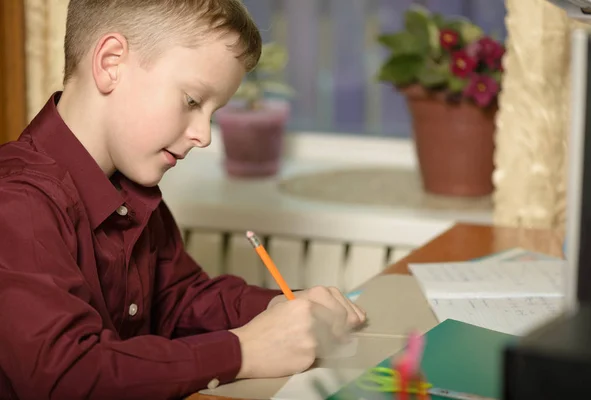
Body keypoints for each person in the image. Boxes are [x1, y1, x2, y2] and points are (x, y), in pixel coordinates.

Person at [0, 1, 366, 399]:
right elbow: (66, 374)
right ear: (110, 63)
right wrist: (244, 351)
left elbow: (181, 300)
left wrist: (284, 310)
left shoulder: (129, 186)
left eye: (213, 111)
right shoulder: (18, 203)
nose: (204, 136)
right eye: (192, 101)